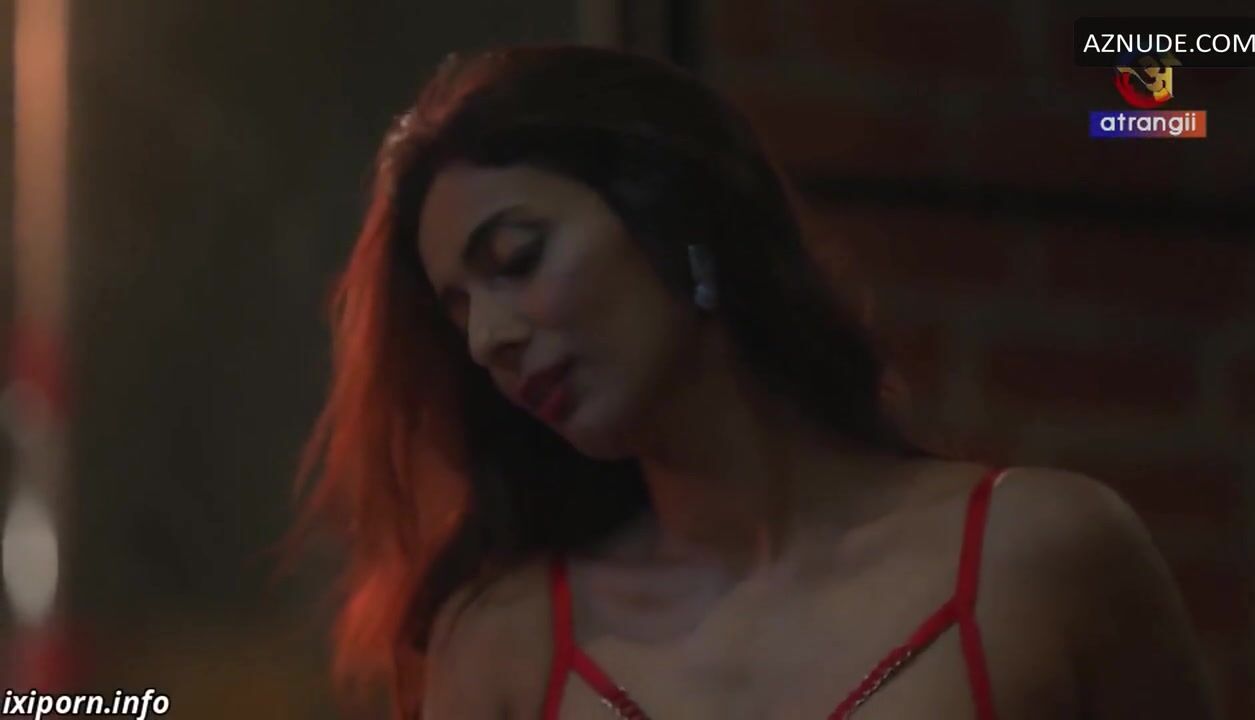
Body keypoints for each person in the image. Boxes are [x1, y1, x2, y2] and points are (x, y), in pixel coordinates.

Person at [290, 45, 1217, 719]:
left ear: (674, 211)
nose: (489, 338)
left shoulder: (1039, 557)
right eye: (458, 313)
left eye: (517, 260)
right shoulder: (505, 640)